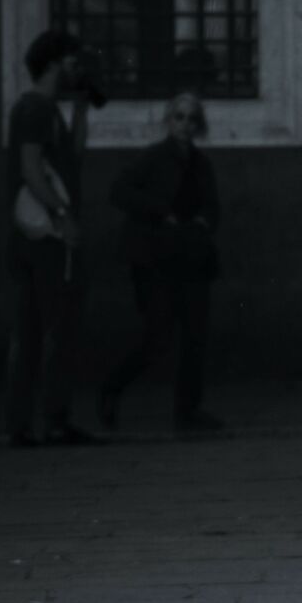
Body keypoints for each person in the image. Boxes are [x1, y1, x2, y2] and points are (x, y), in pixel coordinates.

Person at [97, 92, 223, 435]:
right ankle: (111, 389)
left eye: (191, 119)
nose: (185, 125)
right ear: (169, 121)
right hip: (156, 261)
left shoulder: (200, 164)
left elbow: (212, 207)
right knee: (158, 337)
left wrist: (201, 223)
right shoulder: (152, 158)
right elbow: (119, 191)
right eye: (179, 117)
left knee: (195, 335)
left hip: (191, 259)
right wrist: (159, 211)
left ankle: (188, 411)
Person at [5, 27, 95, 449]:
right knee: (51, 329)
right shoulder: (34, 110)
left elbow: (71, 159)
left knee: (38, 330)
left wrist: (80, 109)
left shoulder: (48, 110)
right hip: (45, 239)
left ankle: (29, 422)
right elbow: (31, 169)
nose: (79, 68)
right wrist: (62, 216)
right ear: (57, 62)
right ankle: (48, 420)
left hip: (41, 238)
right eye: (74, 61)